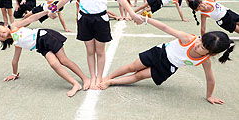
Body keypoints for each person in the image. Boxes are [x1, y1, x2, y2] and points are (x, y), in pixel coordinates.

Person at [48, 0, 143, 89]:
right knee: (90, 51)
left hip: (100, 20)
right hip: (84, 20)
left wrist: (133, 14)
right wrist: (53, 10)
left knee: (100, 51)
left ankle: (99, 77)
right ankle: (92, 76)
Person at [98, 16, 235, 105]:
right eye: (201, 39)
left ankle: (111, 81)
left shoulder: (205, 60)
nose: (197, 44)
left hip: (169, 66)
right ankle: (108, 77)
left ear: (211, 54)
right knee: (132, 67)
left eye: (202, 47)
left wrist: (209, 96)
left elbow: (210, 78)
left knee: (139, 76)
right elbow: (165, 28)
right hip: (160, 52)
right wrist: (145, 19)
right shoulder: (188, 39)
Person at [0, 11, 90, 97]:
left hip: (45, 36)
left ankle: (85, 78)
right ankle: (75, 84)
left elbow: (30, 19)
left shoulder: (14, 26)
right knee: (53, 64)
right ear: (0, 40)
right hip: (40, 47)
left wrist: (46, 13)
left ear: (4, 25)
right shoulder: (16, 43)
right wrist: (14, 74)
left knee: (63, 60)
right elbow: (15, 60)